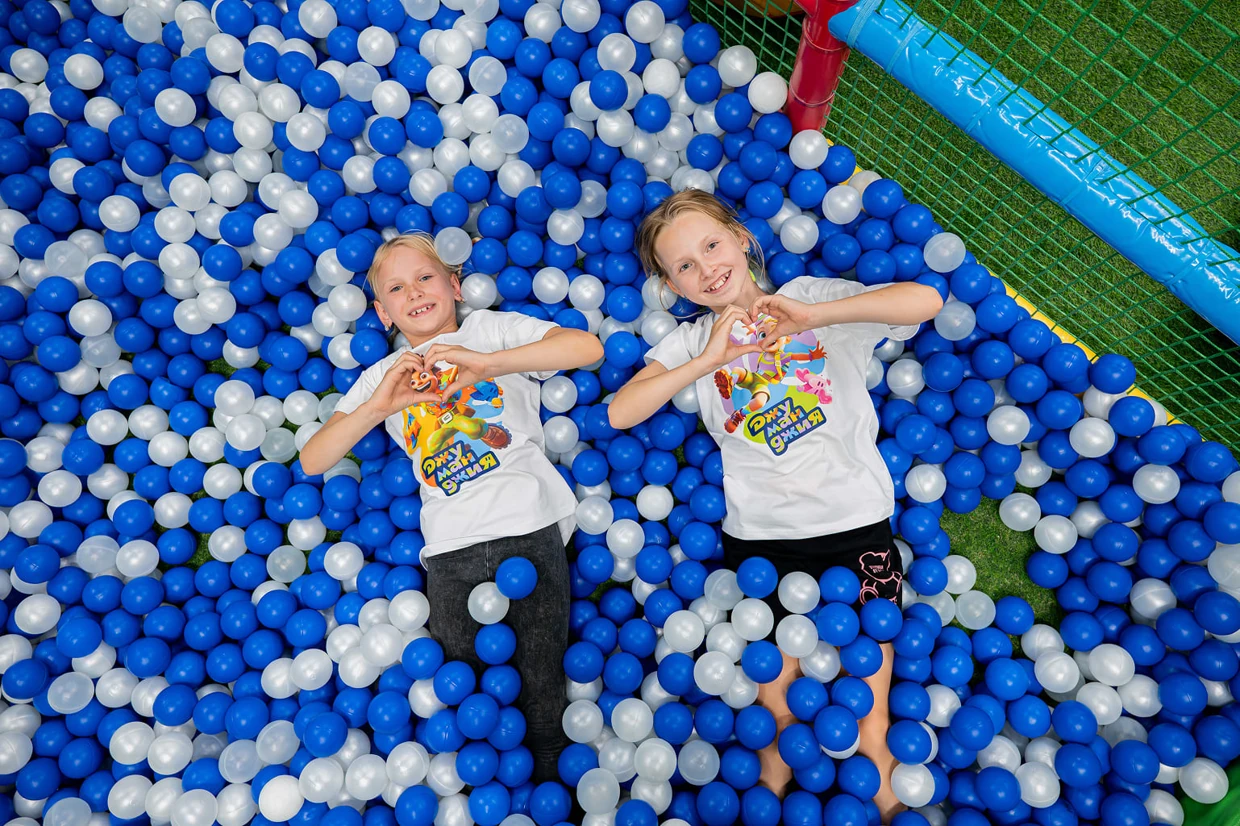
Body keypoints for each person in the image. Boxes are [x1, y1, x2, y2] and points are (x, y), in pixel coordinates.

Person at [608, 190, 943, 820]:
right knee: (777, 711)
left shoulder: (811, 297)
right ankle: (773, 786)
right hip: (763, 542)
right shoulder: (694, 342)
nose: (707, 268)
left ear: (742, 239)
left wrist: (813, 317)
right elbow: (622, 411)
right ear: (672, 285)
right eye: (684, 266)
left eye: (712, 245)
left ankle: (884, 790)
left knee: (873, 709)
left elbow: (925, 301)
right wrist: (710, 359)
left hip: (854, 524)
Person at [301, 232, 604, 782]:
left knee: (542, 684)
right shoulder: (383, 377)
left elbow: (586, 348)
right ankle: (484, 794)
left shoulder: (489, 331)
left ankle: (551, 788)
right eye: (396, 289)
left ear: (455, 285)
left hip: (528, 525)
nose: (415, 293)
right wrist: (379, 407)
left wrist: (487, 365)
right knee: (465, 692)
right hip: (450, 551)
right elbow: (314, 458)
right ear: (382, 312)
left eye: (425, 278)